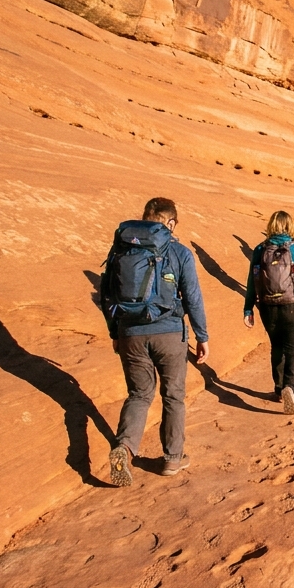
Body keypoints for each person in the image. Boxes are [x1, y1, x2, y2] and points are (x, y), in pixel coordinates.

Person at [102, 197, 209, 486]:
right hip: (170, 333)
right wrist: (202, 336)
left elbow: (106, 293)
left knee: (139, 394)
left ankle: (124, 448)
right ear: (171, 222)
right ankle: (172, 459)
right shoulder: (179, 252)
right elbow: (193, 297)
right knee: (173, 395)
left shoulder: (121, 249)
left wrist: (115, 333)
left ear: (146, 216)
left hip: (130, 333)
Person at [244, 211, 294, 415]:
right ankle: (290, 388)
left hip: (268, 306)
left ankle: (278, 388)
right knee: (293, 349)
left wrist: (248, 308)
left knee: (276, 347)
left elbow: (252, 281)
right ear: (290, 227)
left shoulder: (260, 249)